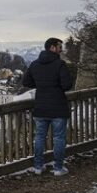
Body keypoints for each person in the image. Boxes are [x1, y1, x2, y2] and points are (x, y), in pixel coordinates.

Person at [22, 37, 73, 176]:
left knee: (39, 137)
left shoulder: (34, 64)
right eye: (59, 47)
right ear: (52, 48)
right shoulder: (60, 64)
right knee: (59, 138)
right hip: (58, 107)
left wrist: (40, 84)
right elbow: (67, 85)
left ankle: (38, 167)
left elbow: (26, 81)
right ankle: (58, 168)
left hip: (41, 106)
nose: (61, 49)